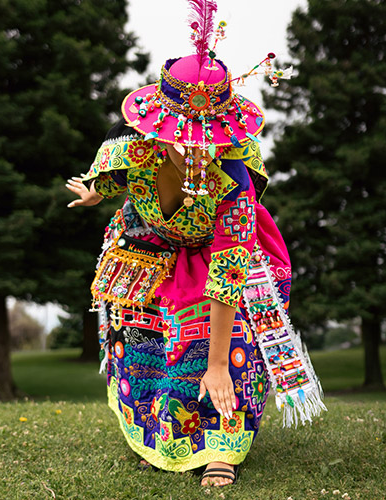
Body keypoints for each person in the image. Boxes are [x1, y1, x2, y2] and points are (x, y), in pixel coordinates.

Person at [66, 8, 325, 487]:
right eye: (182, 134)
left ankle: (222, 447)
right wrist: (94, 192)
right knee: (138, 337)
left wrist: (219, 364)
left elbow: (231, 273)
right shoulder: (130, 150)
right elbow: (107, 174)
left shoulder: (234, 181)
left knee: (217, 342)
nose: (196, 148)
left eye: (208, 138)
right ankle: (159, 435)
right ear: (157, 128)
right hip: (148, 243)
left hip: (222, 255)